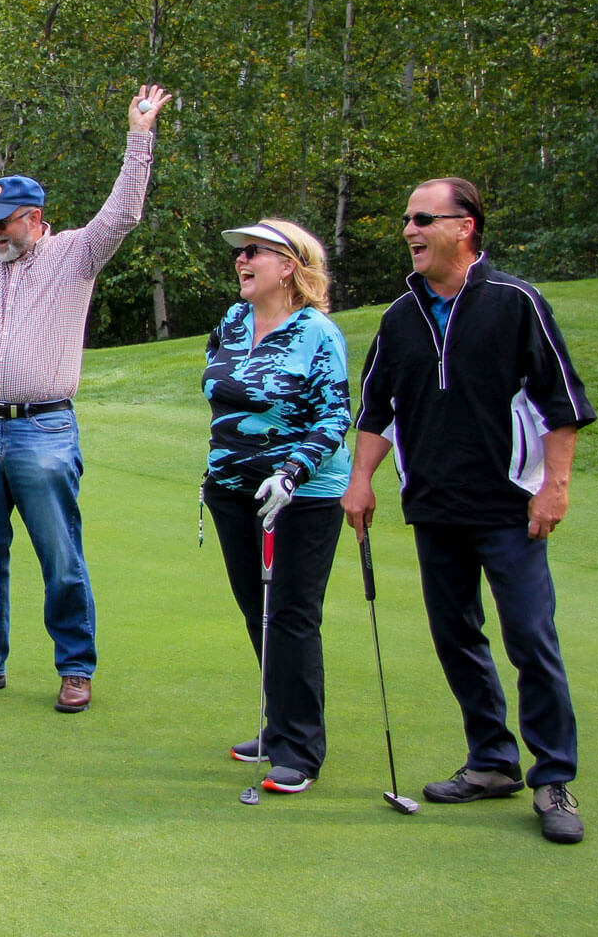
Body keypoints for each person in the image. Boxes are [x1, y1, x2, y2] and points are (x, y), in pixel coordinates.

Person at [0, 59, 170, 714]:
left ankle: (75, 667)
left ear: (34, 218)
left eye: (3, 221)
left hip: (44, 427)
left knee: (60, 555)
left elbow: (124, 213)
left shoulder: (77, 254)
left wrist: (139, 137)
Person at [341, 177, 594, 844]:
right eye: (406, 220)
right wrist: (360, 479)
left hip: (510, 508)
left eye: (423, 219)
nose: (409, 231)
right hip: (434, 506)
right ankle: (491, 761)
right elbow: (376, 408)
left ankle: (554, 778)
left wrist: (556, 486)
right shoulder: (402, 317)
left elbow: (562, 403)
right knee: (457, 638)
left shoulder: (516, 302)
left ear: (466, 226)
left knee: (530, 639)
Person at [201, 220, 351, 793]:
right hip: (232, 490)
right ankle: (277, 724)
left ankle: (300, 748)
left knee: (290, 616)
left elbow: (334, 417)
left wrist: (291, 472)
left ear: (289, 266)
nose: (242, 260)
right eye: (239, 252)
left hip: (303, 497)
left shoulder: (317, 332)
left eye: (254, 252)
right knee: (255, 611)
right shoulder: (234, 321)